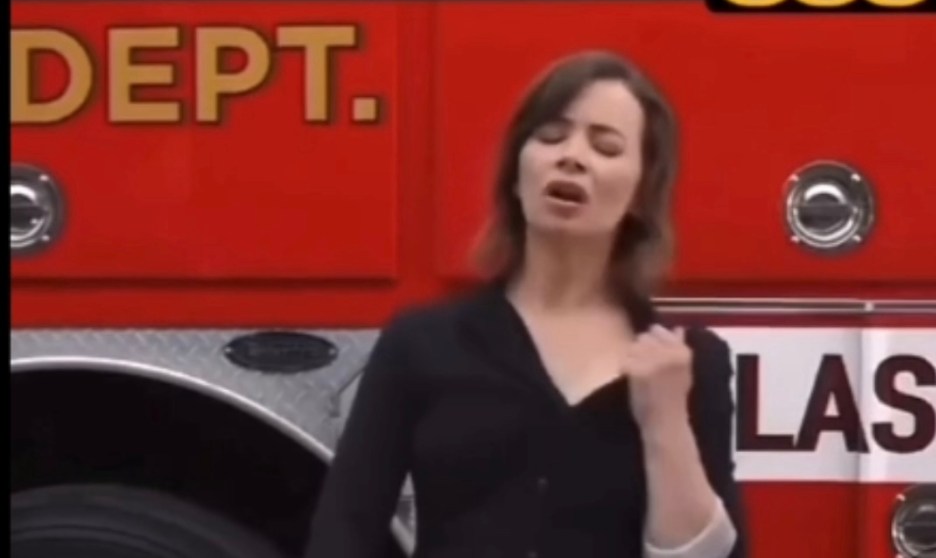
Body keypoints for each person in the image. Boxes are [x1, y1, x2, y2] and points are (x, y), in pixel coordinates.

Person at [303, 51, 747, 558]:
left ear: (642, 194)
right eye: (551, 137)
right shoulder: (422, 343)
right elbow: (346, 529)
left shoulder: (689, 363)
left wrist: (665, 419)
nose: (572, 157)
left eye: (605, 147)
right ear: (517, 174)